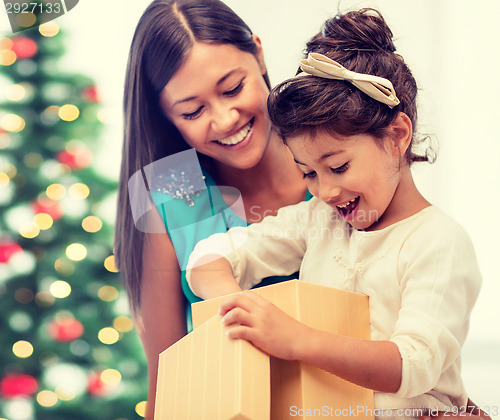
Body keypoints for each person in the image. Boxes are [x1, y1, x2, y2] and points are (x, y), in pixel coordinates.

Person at [187, 8, 490, 419]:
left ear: (397, 135)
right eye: (308, 172)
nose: (326, 191)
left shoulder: (437, 242)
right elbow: (210, 257)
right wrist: (239, 307)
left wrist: (295, 339)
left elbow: (413, 366)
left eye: (339, 166)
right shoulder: (319, 221)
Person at [114, 0, 310, 417]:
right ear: (167, 116)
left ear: (258, 53)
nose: (224, 120)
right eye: (192, 110)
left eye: (233, 89)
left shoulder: (334, 153)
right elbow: (166, 385)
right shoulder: (166, 195)